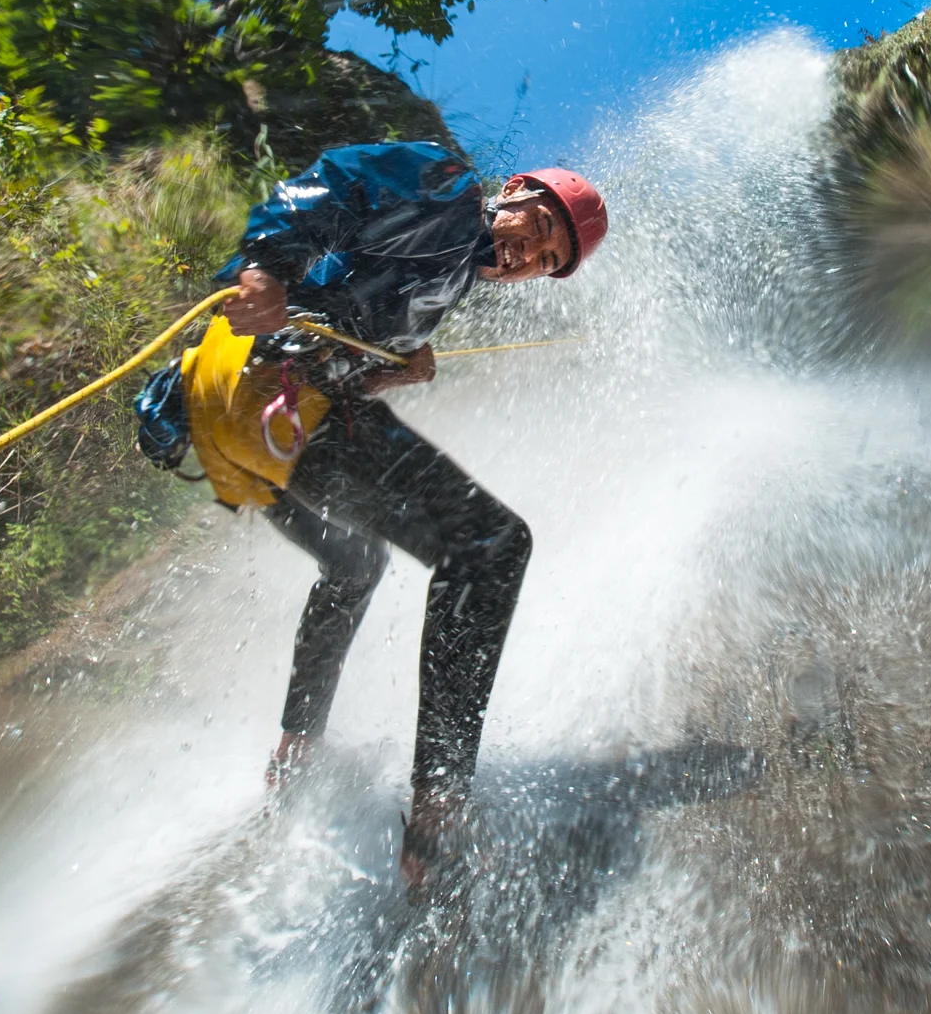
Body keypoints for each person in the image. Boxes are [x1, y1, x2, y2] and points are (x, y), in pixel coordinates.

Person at [130, 141, 607, 893]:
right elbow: (341, 182)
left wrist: (398, 364)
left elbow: (350, 314)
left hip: (232, 417)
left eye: (547, 259)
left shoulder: (450, 274)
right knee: (492, 545)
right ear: (512, 189)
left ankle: (297, 744)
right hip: (273, 390)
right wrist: (265, 267)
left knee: (356, 563)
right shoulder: (450, 189)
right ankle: (439, 806)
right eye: (538, 223)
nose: (528, 253)